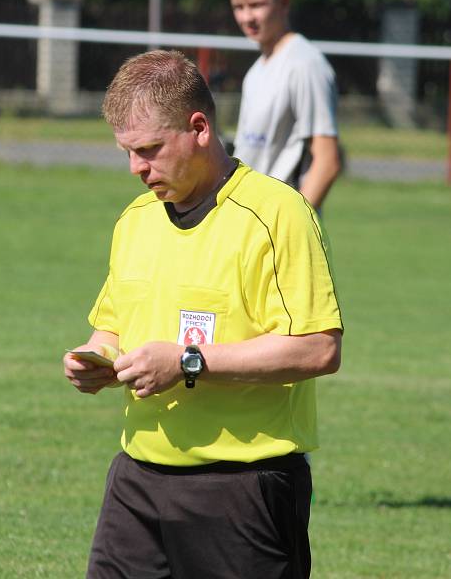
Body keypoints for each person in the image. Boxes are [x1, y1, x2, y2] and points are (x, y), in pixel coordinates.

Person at [63, 49, 343, 579]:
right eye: (127, 152)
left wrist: (189, 363)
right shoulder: (135, 220)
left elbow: (319, 347)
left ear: (199, 128)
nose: (136, 169)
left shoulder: (277, 213)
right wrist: (95, 358)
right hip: (136, 482)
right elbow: (113, 325)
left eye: (149, 149)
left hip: (241, 488)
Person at [229, 0, 341, 209]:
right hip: (251, 221)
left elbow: (327, 161)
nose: (247, 17)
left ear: (284, 3)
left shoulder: (305, 64)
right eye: (239, 7)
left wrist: (294, 224)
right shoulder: (255, 71)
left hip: (280, 226)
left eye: (257, 5)